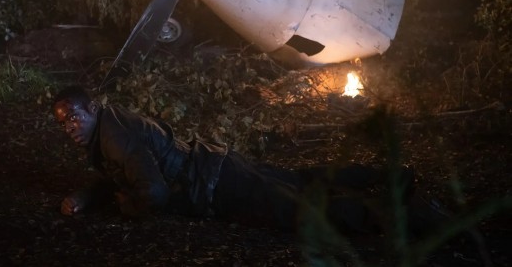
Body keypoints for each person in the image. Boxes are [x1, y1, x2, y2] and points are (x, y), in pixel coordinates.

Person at [51, 85, 417, 233]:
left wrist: (129, 205)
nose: (69, 127)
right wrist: (84, 197)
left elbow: (155, 194)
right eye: (63, 123)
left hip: (217, 184)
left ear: (92, 108)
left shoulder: (115, 137)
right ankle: (388, 177)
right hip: (217, 165)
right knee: (299, 180)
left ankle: (407, 217)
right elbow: (120, 173)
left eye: (73, 117)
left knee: (302, 210)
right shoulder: (109, 124)